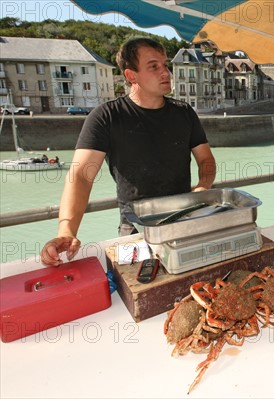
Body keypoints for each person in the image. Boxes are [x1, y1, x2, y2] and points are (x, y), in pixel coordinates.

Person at [41, 37, 216, 267]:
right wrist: (66, 230)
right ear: (131, 75)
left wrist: (203, 187)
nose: (165, 72)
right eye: (154, 66)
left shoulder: (185, 113)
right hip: (134, 229)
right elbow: (81, 175)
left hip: (182, 221)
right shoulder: (107, 117)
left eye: (165, 65)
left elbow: (206, 160)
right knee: (137, 291)